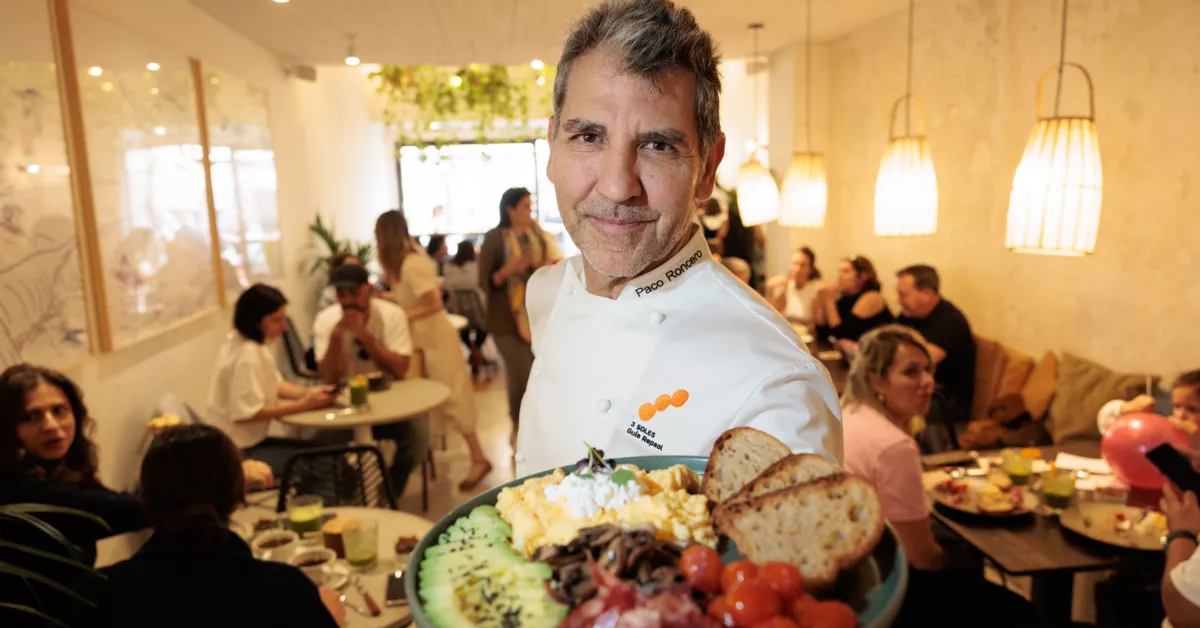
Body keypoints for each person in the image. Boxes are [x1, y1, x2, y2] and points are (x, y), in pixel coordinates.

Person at [514, 0, 841, 477]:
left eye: (658, 145)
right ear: (552, 146)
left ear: (707, 168)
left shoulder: (777, 385)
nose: (617, 185)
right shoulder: (546, 291)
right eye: (588, 136)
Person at [0, 365, 272, 627]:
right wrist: (214, 471)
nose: (50, 425)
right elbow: (127, 511)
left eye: (59, 410)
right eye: (31, 417)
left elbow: (121, 502)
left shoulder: (59, 470)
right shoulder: (19, 488)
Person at [841, 326, 1039, 627]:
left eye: (928, 370)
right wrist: (964, 561)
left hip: (854, 576)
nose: (928, 382)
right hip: (890, 591)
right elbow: (921, 558)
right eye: (911, 373)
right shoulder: (893, 445)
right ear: (876, 380)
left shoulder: (850, 413)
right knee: (1019, 609)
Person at [97, 425, 344, 628]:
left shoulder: (104, 592)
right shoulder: (284, 589)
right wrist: (327, 617)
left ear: (146, 499)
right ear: (239, 495)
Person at [376, 210, 493, 490]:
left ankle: (479, 458)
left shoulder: (412, 264)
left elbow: (433, 305)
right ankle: (427, 457)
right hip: (423, 342)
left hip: (436, 342)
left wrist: (400, 314)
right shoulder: (405, 264)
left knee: (454, 398)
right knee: (428, 401)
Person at [312, 262, 427, 496]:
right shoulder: (326, 321)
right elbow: (328, 378)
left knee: (417, 441)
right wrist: (336, 339)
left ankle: (389, 495)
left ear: (369, 290)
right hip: (345, 404)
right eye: (341, 294)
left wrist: (366, 337)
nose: (347, 301)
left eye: (353, 293)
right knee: (321, 446)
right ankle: (349, 491)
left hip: (390, 397)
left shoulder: (391, 315)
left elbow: (400, 370)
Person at [207, 284, 336, 476]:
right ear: (256, 321)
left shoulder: (248, 343)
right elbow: (247, 414)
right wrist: (304, 404)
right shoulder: (246, 356)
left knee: (322, 451)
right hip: (239, 453)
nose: (284, 327)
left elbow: (274, 385)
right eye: (277, 320)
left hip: (245, 443)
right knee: (324, 461)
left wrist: (308, 393)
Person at [478, 187, 563, 439]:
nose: (529, 211)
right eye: (525, 206)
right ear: (510, 210)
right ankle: (518, 426)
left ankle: (537, 424)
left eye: (530, 205)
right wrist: (509, 270)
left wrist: (539, 266)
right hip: (506, 318)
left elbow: (545, 267)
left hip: (537, 314)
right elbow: (484, 281)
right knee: (520, 374)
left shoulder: (536, 235)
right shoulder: (495, 238)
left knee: (540, 371)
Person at [894, 264, 976, 453]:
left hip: (947, 400)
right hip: (918, 389)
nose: (899, 300)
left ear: (927, 293)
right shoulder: (910, 315)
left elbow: (916, 364)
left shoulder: (950, 321)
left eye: (904, 294)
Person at [813, 255, 894, 352]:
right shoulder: (843, 298)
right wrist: (822, 300)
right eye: (839, 271)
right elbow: (822, 333)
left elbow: (843, 334)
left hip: (878, 355)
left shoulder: (872, 297)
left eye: (845, 271)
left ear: (863, 276)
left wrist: (829, 302)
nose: (839, 276)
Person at [1099, 370, 1200, 440]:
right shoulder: (1167, 427)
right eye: (1176, 406)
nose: (1180, 415)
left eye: (1192, 409)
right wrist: (1128, 408)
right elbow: (1105, 424)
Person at [444, 240, 490, 376]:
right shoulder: (476, 266)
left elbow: (448, 285)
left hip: (456, 307)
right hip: (477, 307)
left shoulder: (449, 267)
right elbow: (477, 282)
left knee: (462, 329)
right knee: (485, 325)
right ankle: (476, 350)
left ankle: (472, 351)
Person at [766, 247, 826, 329]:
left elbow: (818, 323)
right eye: (794, 264)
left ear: (810, 269)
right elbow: (771, 317)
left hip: (808, 336)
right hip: (787, 332)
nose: (797, 269)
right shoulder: (785, 286)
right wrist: (770, 290)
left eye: (803, 265)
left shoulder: (817, 289)